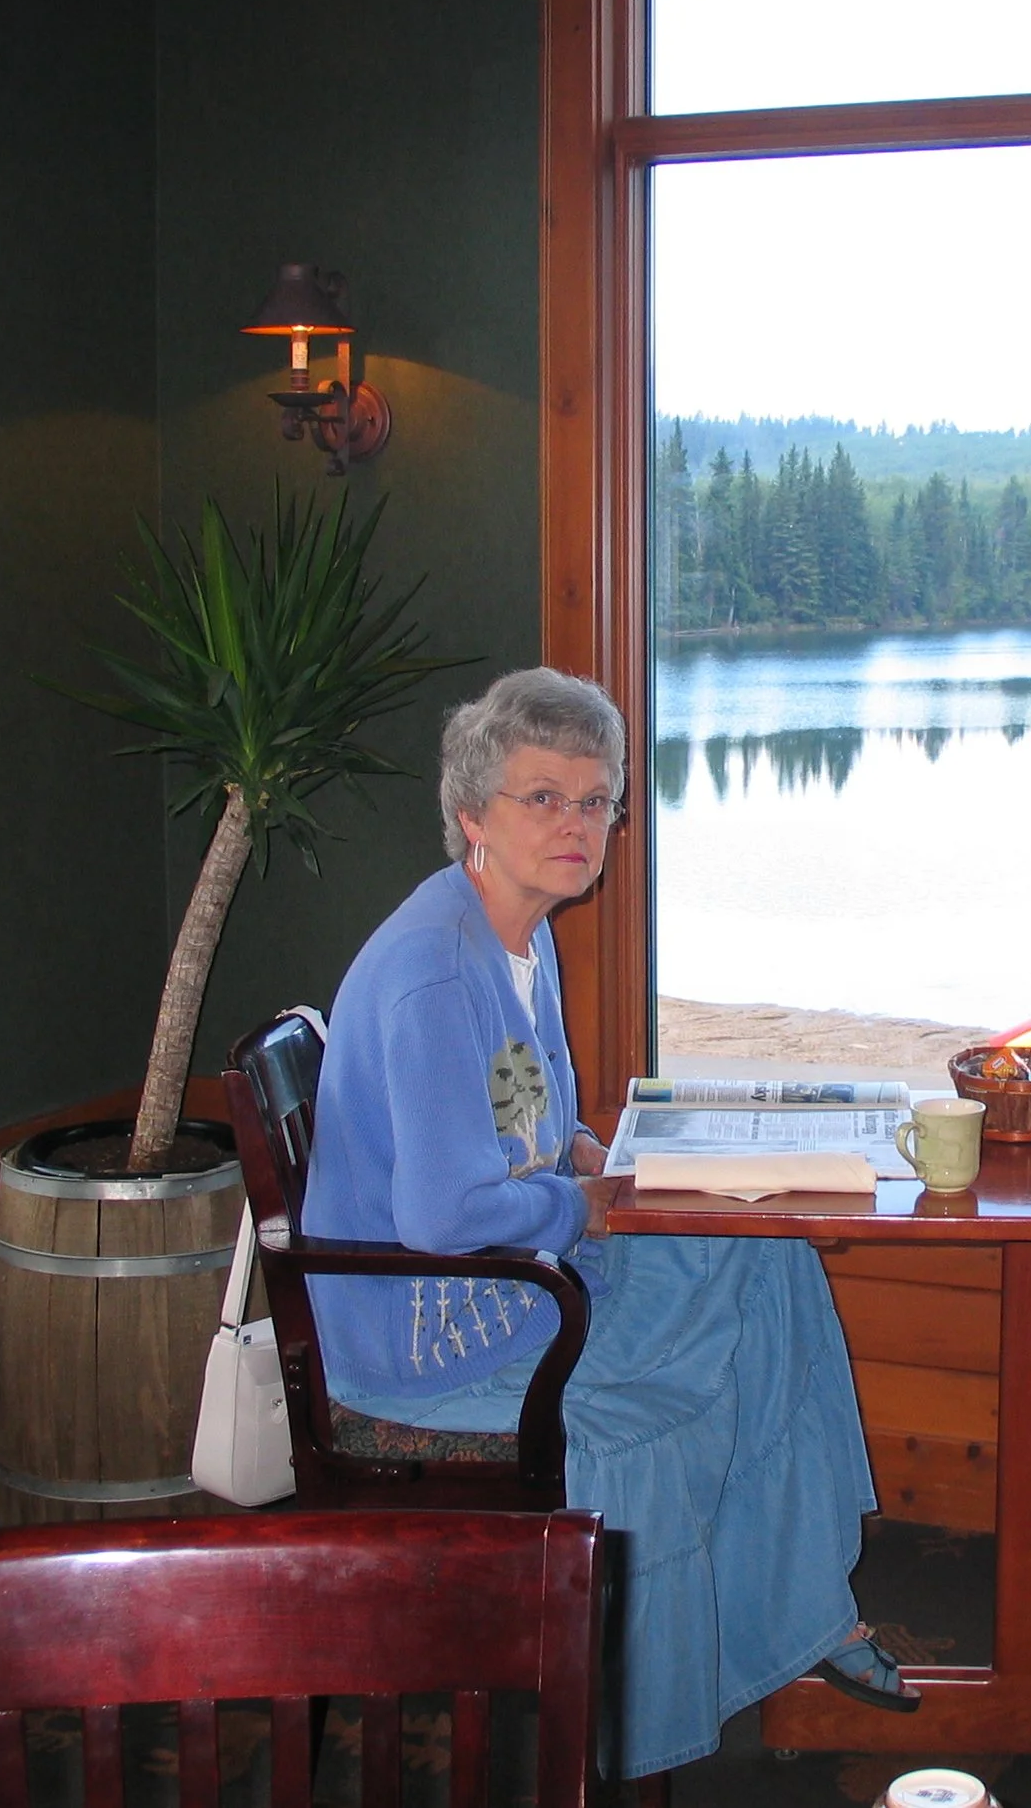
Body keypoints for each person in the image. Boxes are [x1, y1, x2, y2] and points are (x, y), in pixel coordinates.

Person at [302, 666, 916, 1780]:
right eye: (542, 798)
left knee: (766, 1258)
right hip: (442, 1333)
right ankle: (682, 1688)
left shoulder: (519, 936)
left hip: (526, 1268)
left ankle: (799, 1614)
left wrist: (592, 1152)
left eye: (595, 801)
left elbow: (520, 1125)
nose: (575, 825)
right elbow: (443, 1217)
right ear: (471, 815)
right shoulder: (436, 973)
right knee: (675, 1385)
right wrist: (580, 1201)